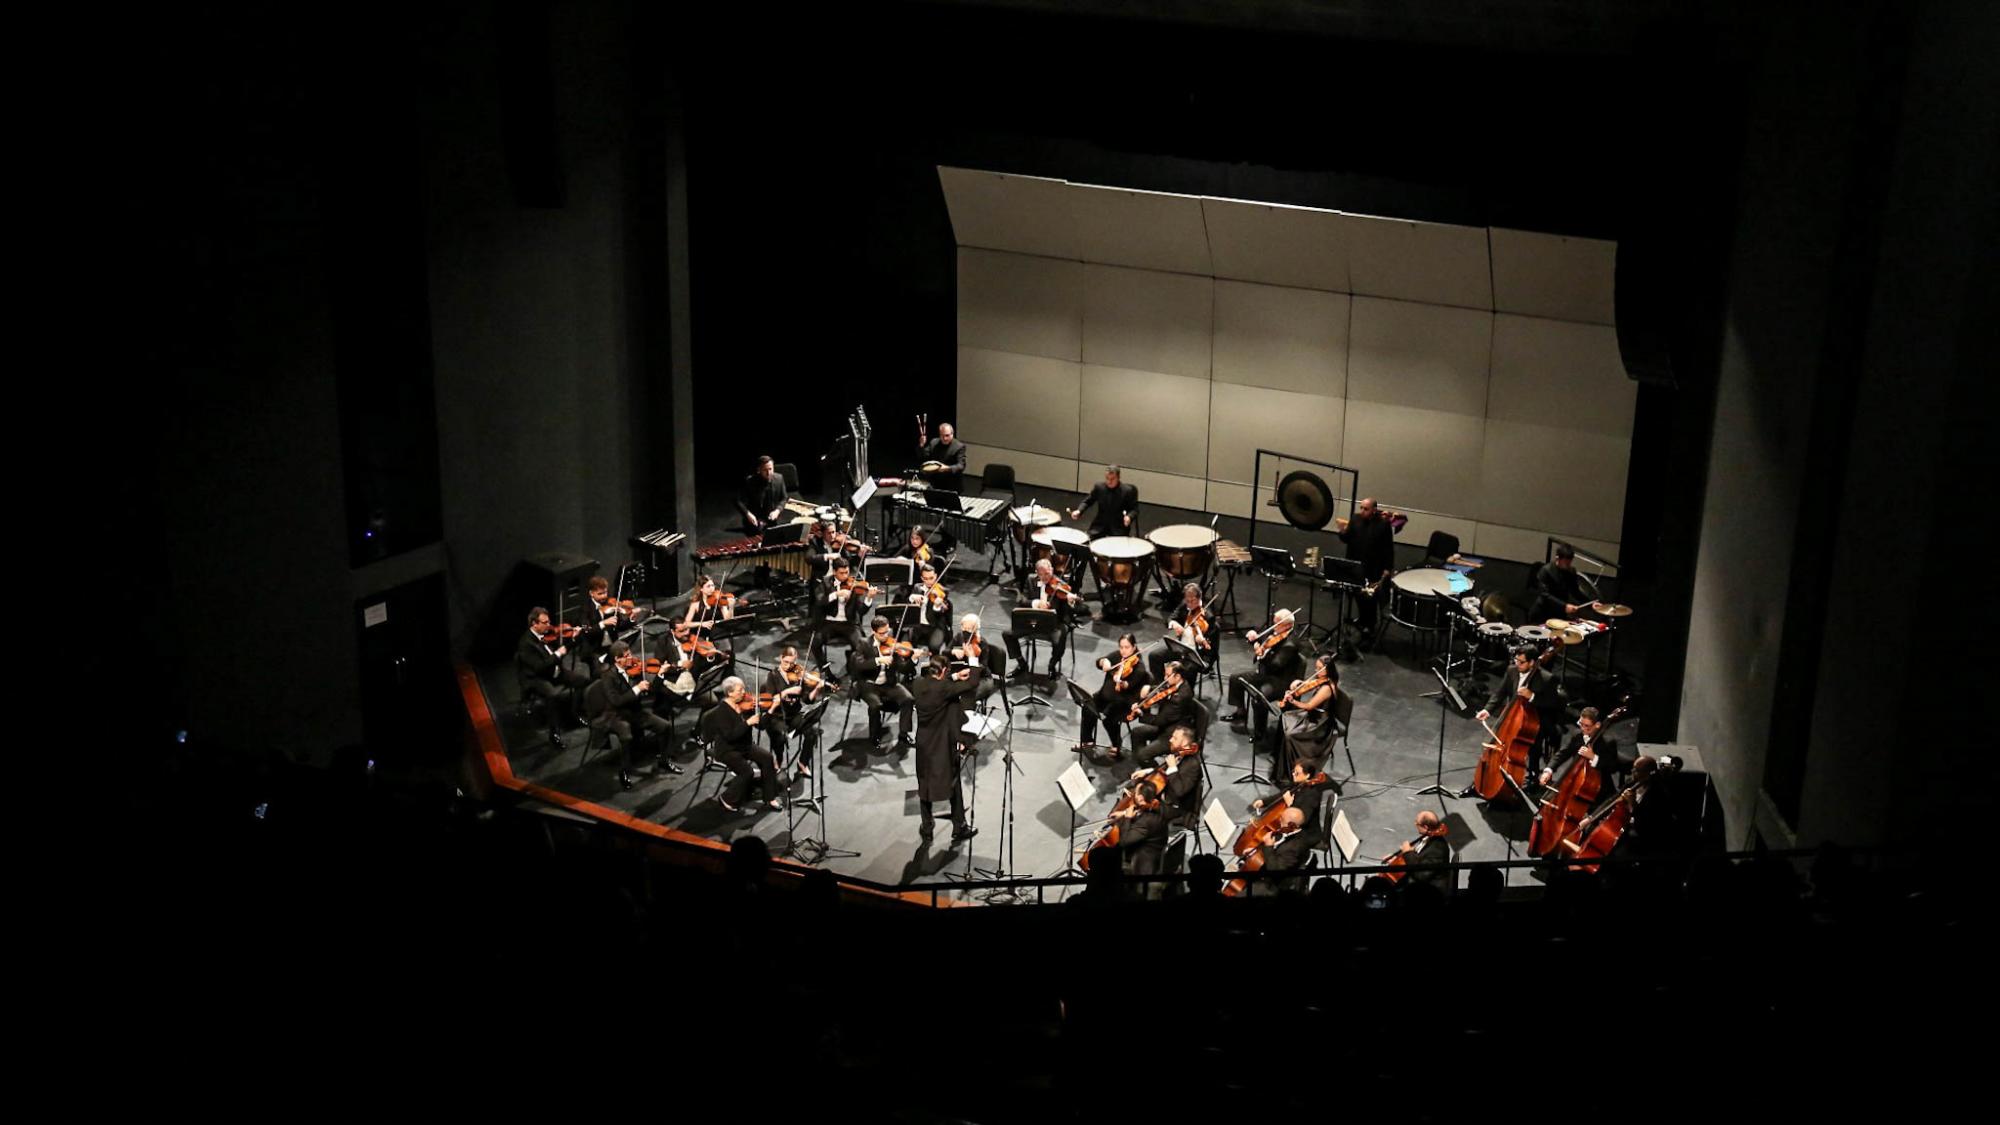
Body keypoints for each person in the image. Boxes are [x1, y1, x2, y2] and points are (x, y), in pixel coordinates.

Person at [1463, 647, 1562, 791]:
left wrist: (1532, 696)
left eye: (1521, 662)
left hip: (1535, 720)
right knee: (1494, 744)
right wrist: (1487, 709)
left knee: (1532, 746)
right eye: (1516, 660)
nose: (1517, 664)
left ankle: (1532, 779)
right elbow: (1500, 693)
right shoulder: (1512, 670)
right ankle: (1479, 783)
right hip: (1511, 716)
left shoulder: (1547, 679)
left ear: (1532, 662)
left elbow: (1553, 703)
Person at [909, 656, 980, 843]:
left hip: (923, 742)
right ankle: (959, 826)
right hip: (941, 743)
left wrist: (955, 676)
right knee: (953, 781)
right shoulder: (944, 689)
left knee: (923, 782)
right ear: (943, 671)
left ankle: (927, 826)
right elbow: (973, 682)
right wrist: (972, 659)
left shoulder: (918, 684)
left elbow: (938, 686)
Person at [697, 676, 782, 814]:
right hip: (727, 749)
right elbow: (730, 736)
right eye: (739, 690)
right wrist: (747, 723)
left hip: (744, 745)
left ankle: (770, 797)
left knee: (767, 758)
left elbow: (760, 726)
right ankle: (726, 799)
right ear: (729, 693)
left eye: (743, 689)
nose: (744, 692)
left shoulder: (745, 705)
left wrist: (771, 709)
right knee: (746, 772)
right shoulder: (721, 711)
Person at [595, 642, 670, 790]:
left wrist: (660, 674)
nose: (632, 658)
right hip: (616, 715)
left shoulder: (633, 670)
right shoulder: (608, 676)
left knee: (665, 726)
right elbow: (616, 701)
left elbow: (651, 692)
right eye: (627, 656)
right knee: (626, 737)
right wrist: (637, 688)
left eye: (630, 654)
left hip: (635, 712)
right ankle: (625, 770)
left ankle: (663, 760)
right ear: (617, 659)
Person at [1221, 609, 1302, 741]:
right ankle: (1241, 712)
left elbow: (1275, 666)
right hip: (1266, 674)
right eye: (1274, 623)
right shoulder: (1278, 632)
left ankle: (1260, 732)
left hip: (1279, 681)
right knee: (1236, 678)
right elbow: (1265, 641)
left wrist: (1260, 654)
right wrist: (1255, 638)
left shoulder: (1290, 644)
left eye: (1277, 624)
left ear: (1287, 625)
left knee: (1259, 699)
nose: (1274, 627)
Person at [517, 606, 589, 749]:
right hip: (537, 678)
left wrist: (575, 639)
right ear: (534, 624)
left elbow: (564, 648)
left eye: (549, 621)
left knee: (582, 681)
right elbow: (539, 667)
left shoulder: (548, 634)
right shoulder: (526, 644)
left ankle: (575, 712)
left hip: (555, 671)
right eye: (545, 622)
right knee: (552, 695)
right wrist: (557, 654)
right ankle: (554, 732)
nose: (549, 625)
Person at [1334, 497, 1397, 644]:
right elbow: (1348, 538)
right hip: (1356, 566)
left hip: (1373, 567)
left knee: (1370, 598)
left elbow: (1388, 548)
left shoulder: (1383, 524)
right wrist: (1342, 532)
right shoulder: (1355, 519)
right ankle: (1363, 621)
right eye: (1361, 508)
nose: (1362, 511)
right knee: (1358, 595)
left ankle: (1369, 626)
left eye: (1366, 509)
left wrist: (1388, 568)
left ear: (1374, 510)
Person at [1002, 558, 1077, 680]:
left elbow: (1066, 613)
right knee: (1007, 634)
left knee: (1059, 639)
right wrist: (1036, 603)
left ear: (1052, 570)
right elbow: (1022, 600)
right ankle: (1022, 664)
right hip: (1031, 621)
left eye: (1048, 573)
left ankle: (1052, 665)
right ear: (1037, 573)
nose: (1047, 577)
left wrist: (1070, 602)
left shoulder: (1060, 585)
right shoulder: (1030, 580)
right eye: (1043, 574)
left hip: (1053, 623)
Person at [761, 645, 829, 778]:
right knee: (780, 738)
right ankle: (779, 759)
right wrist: (787, 691)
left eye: (792, 663)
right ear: (781, 658)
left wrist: (816, 689)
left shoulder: (799, 675)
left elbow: (807, 700)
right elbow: (770, 699)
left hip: (794, 714)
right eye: (786, 662)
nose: (788, 666)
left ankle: (803, 763)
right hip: (777, 715)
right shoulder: (773, 675)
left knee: (812, 733)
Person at [1079, 633, 1151, 759]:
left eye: (1127, 647)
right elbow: (1100, 661)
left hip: (1123, 702)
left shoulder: (1139, 668)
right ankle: (1087, 740)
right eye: (1121, 647)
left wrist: (1120, 680)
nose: (1123, 651)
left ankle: (1116, 744)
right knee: (1087, 707)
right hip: (1104, 696)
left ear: (1134, 647)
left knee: (1108, 718)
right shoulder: (1118, 656)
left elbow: (1127, 686)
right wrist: (1104, 662)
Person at [852, 615, 917, 750]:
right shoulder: (863, 643)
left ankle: (903, 735)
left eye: (887, 631)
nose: (886, 635)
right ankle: (874, 736)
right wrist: (878, 660)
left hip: (888, 684)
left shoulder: (892, 644)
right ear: (873, 631)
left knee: (908, 699)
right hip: (869, 685)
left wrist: (914, 660)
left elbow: (903, 669)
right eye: (882, 633)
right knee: (875, 706)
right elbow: (859, 665)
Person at [1275, 652, 1343, 782]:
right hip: (1313, 716)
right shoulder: (1322, 680)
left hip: (1320, 723)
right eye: (1316, 668)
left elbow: (1309, 706)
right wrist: (1299, 683)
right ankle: (1282, 761)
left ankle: (1290, 771)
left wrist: (1292, 701)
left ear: (1327, 670)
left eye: (1319, 669)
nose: (1316, 671)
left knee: (1290, 734)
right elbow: (1310, 684)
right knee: (1285, 718)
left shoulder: (1327, 688)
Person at [1540, 706, 1626, 794]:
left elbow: (1613, 767)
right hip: (1576, 782)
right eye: (1581, 724)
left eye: (1587, 726)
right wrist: (1548, 770)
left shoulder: (1608, 741)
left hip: (1599, 789)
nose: (1582, 728)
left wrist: (1593, 757)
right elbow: (1562, 754)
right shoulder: (1577, 735)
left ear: (1597, 725)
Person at [1128, 659, 1196, 763]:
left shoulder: (1180, 697)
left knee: (1143, 755)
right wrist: (1148, 689)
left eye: (1168, 676)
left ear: (1177, 676)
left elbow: (1160, 720)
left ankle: (1152, 774)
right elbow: (1161, 690)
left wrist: (1142, 713)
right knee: (1136, 733)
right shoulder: (1174, 684)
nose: (1165, 678)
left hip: (1172, 733)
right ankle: (1141, 763)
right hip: (1166, 724)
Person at [813, 558, 871, 666]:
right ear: (834, 572)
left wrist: (868, 599)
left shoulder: (854, 585)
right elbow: (819, 602)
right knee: (815, 643)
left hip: (849, 624)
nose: (845, 576)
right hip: (829, 623)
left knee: (860, 645)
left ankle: (852, 665)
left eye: (847, 572)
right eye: (841, 573)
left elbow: (861, 611)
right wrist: (836, 594)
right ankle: (824, 669)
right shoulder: (825, 582)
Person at [1153, 581, 1215, 679]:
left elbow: (1211, 647)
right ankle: (1162, 686)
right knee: (1154, 656)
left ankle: (1185, 691)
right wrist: (1174, 624)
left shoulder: (1209, 617)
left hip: (1196, 654)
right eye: (1187, 600)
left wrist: (1201, 642)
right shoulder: (1185, 604)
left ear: (1199, 598)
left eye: (1193, 601)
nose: (1189, 604)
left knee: (1185, 670)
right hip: (1180, 647)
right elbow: (1171, 618)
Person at [1251, 759, 1334, 832]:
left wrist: (1290, 804)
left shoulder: (1312, 794)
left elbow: (1303, 820)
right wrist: (1263, 802)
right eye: (1293, 771)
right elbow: (1281, 795)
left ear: (1307, 775)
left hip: (1302, 832)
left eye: (1297, 773)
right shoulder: (1298, 784)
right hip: (1289, 825)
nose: (1293, 774)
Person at [949, 613, 1007, 709]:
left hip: (982, 679)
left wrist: (972, 659)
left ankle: (967, 721)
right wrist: (953, 651)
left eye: (969, 630)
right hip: (961, 675)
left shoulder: (982, 643)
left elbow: (983, 667)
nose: (966, 632)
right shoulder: (959, 637)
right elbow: (944, 653)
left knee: (967, 697)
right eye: (964, 628)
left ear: (976, 630)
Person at [1386, 810, 1452, 892]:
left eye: (1417, 823)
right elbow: (1420, 859)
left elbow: (1420, 874)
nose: (1415, 824)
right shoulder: (1429, 837)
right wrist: (1396, 860)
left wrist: (1407, 853)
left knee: (1387, 888)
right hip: (1421, 882)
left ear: (1425, 827)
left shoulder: (1438, 848)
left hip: (1428, 891)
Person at [1067, 465, 1138, 538]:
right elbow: (1087, 501)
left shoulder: (1127, 491)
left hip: (1118, 529)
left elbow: (1134, 509)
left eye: (1112, 479)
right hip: (1099, 526)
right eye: (1107, 478)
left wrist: (1129, 517)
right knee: (1086, 544)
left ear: (1118, 477)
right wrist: (1079, 511)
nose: (1109, 481)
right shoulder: (1099, 488)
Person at [1530, 542, 1587, 623]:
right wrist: (1564, 606)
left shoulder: (1571, 571)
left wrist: (1591, 604)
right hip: (1543, 613)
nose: (1568, 565)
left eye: (1570, 562)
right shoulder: (1545, 571)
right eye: (1566, 562)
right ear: (1558, 558)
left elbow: (1575, 591)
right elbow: (1545, 595)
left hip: (1559, 613)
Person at [903, 559, 953, 652]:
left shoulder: (943, 591)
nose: (929, 581)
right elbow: (908, 606)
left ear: (936, 576)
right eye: (925, 579)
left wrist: (937, 607)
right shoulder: (917, 587)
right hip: (918, 625)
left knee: (934, 646)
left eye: (931, 578)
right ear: (922, 578)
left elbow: (941, 613)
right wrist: (912, 598)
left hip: (935, 626)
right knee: (906, 645)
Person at [735, 455, 789, 533]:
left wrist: (777, 510)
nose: (768, 473)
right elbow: (738, 501)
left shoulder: (779, 478)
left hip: (772, 517)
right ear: (759, 470)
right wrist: (748, 514)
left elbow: (784, 498)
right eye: (765, 470)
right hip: (756, 518)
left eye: (770, 469)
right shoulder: (750, 481)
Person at [917, 421, 968, 490]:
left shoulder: (959, 446)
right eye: (942, 435)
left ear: (952, 434)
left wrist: (947, 468)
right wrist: (921, 445)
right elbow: (923, 456)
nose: (944, 438)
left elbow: (961, 466)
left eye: (947, 435)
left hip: (952, 484)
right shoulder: (934, 442)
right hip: (934, 483)